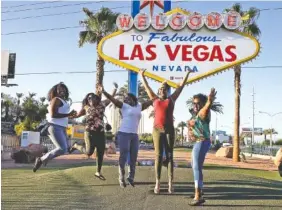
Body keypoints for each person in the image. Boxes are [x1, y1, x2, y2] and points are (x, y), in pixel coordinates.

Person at [140, 69, 193, 194]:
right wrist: (142, 76)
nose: (162, 90)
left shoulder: (172, 99)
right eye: (160, 89)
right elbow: (147, 87)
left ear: (167, 91)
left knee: (170, 156)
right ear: (158, 92)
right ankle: (157, 182)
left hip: (169, 129)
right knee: (158, 156)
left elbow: (181, 87)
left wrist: (187, 74)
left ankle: (170, 182)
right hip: (157, 130)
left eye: (164, 89)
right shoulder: (154, 99)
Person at [99, 84, 152, 188]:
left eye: (127, 98)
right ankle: (121, 177)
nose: (126, 100)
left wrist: (157, 96)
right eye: (125, 99)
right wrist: (104, 91)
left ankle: (131, 177)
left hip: (134, 135)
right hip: (124, 134)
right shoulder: (124, 106)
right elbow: (112, 99)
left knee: (133, 157)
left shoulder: (139, 106)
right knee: (123, 155)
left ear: (133, 99)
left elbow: (151, 101)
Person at [69, 83, 118, 180]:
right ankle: (75, 145)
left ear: (96, 98)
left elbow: (111, 97)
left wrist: (115, 89)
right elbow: (77, 115)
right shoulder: (86, 108)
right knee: (88, 152)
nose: (90, 100)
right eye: (88, 99)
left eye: (92, 98)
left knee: (100, 153)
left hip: (100, 133)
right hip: (89, 133)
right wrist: (68, 115)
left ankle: (98, 172)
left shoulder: (102, 104)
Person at [33, 82, 77, 172]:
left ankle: (44, 159)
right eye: (59, 89)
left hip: (62, 127)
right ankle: (41, 159)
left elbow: (63, 115)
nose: (62, 90)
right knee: (62, 149)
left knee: (65, 149)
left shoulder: (63, 101)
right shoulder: (56, 99)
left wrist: (70, 116)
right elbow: (53, 115)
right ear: (56, 90)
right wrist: (68, 114)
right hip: (54, 126)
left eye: (64, 89)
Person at [187, 88, 216, 206]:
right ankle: (200, 191)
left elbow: (205, 109)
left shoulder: (203, 113)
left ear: (202, 104)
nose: (195, 105)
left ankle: (197, 195)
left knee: (196, 168)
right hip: (199, 142)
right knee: (195, 166)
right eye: (194, 103)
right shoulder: (195, 115)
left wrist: (209, 102)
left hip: (202, 141)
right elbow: (192, 127)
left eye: (198, 103)